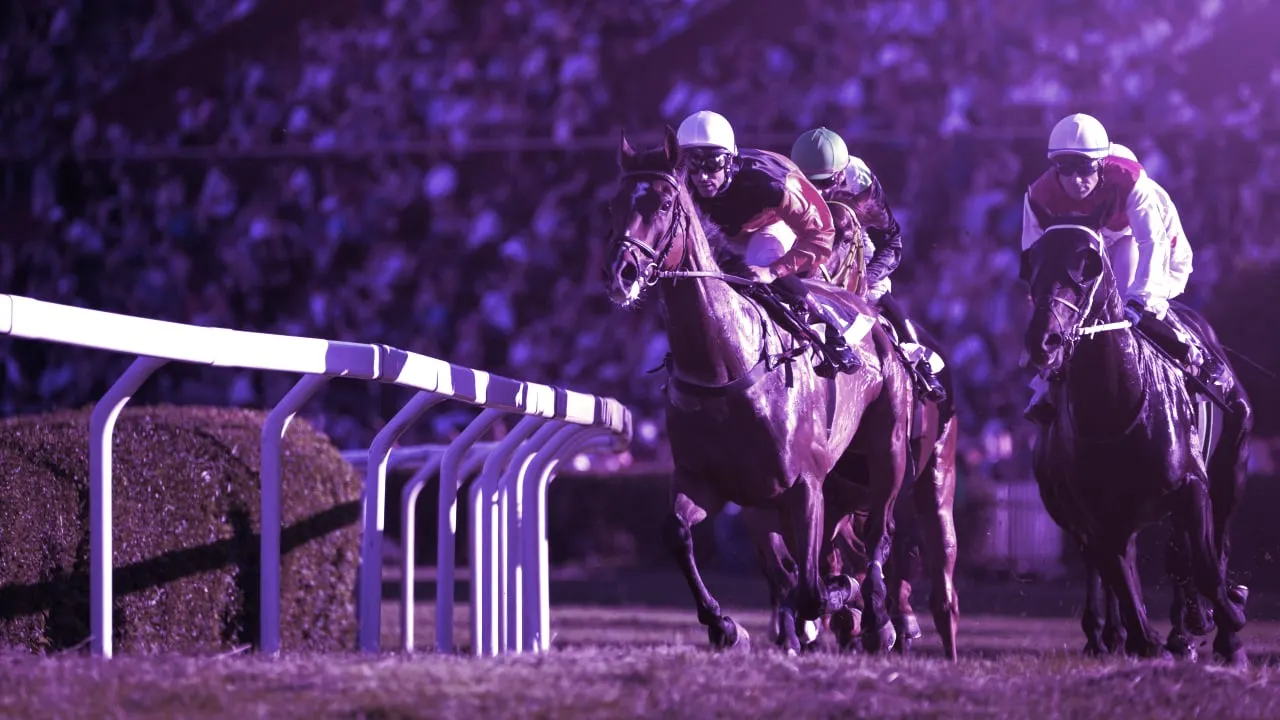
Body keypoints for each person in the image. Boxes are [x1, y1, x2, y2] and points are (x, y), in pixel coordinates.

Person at [1020, 113, 1224, 425]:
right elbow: (1035, 259)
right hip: (1090, 245)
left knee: (1131, 301)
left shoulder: (1130, 178)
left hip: (1139, 237)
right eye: (1066, 167)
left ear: (1101, 164)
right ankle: (1048, 382)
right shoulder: (1038, 195)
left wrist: (1140, 300)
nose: (1076, 179)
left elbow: (1151, 241)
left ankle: (1194, 355)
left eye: (1085, 168)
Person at [675, 109, 860, 377]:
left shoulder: (770, 182)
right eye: (693, 164)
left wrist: (771, 271)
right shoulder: (682, 183)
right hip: (722, 233)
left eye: (712, 164)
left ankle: (830, 326)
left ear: (729, 160)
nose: (702, 176)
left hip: (770, 225)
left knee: (757, 261)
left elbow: (821, 236)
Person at [789, 126, 947, 403]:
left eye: (826, 183)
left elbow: (892, 240)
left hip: (851, 236)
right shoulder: (786, 180)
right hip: (804, 238)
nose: (819, 192)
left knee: (876, 291)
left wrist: (867, 277)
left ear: (841, 174)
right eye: (811, 183)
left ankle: (918, 362)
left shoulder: (861, 183)